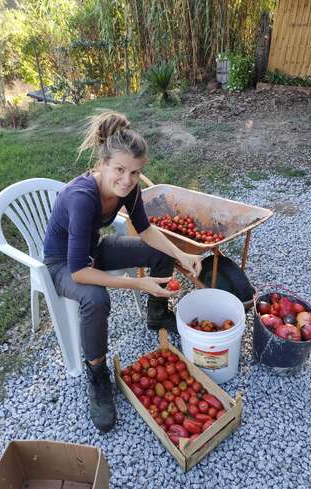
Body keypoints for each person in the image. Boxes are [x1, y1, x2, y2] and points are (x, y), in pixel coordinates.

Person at [43, 111, 202, 433]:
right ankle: (97, 375)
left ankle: (157, 314)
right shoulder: (81, 198)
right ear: (101, 164)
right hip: (64, 264)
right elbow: (78, 273)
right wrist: (138, 283)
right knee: (96, 299)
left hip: (93, 249)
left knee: (159, 250)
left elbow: (145, 230)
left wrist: (181, 253)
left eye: (135, 172)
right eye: (119, 170)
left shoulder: (128, 188)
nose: (127, 180)